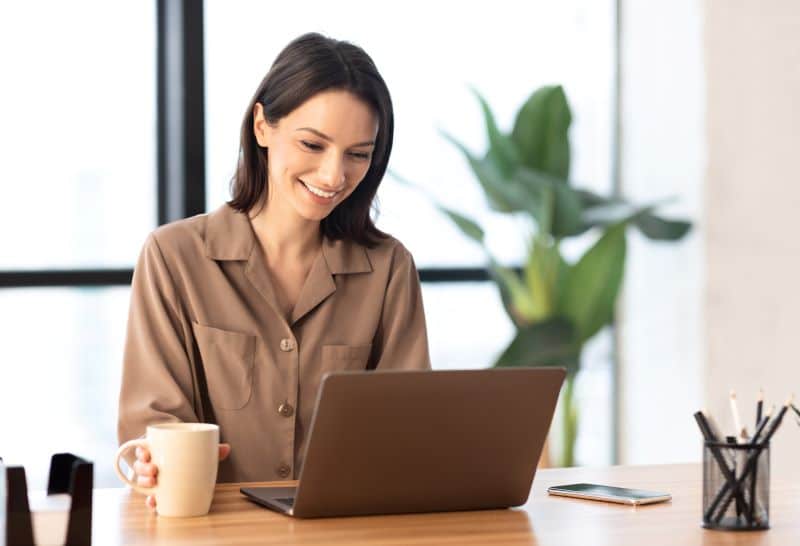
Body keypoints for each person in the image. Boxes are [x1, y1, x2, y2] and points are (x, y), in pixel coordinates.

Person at [117, 32, 431, 509]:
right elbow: (155, 422)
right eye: (312, 144)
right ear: (262, 125)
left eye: (358, 154)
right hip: (211, 530)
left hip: (347, 532)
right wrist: (156, 462)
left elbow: (409, 429)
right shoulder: (174, 256)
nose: (333, 176)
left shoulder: (389, 269)